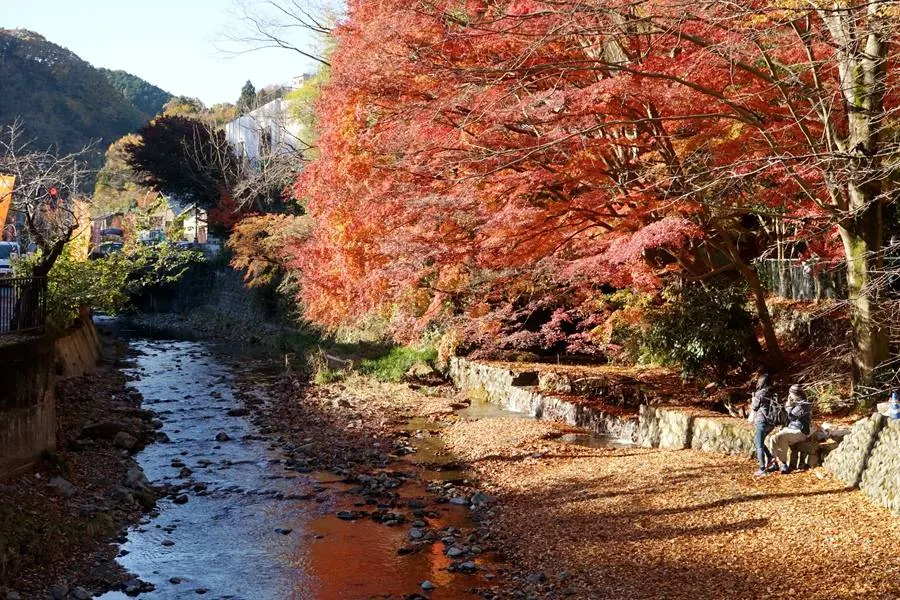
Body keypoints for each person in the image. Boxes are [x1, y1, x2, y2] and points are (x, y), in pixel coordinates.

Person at [769, 384, 813, 474]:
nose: (790, 396)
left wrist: (788, 406)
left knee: (782, 437)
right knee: (772, 438)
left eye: (791, 394)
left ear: (794, 394)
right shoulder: (798, 403)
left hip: (800, 431)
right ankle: (774, 463)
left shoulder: (804, 404)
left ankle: (783, 464)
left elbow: (791, 416)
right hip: (791, 429)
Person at [750, 373, 777, 476]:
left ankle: (762, 469)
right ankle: (770, 458)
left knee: (759, 445)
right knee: (757, 441)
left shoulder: (759, 393)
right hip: (771, 422)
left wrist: (753, 398)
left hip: (762, 422)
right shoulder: (773, 393)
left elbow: (754, 407)